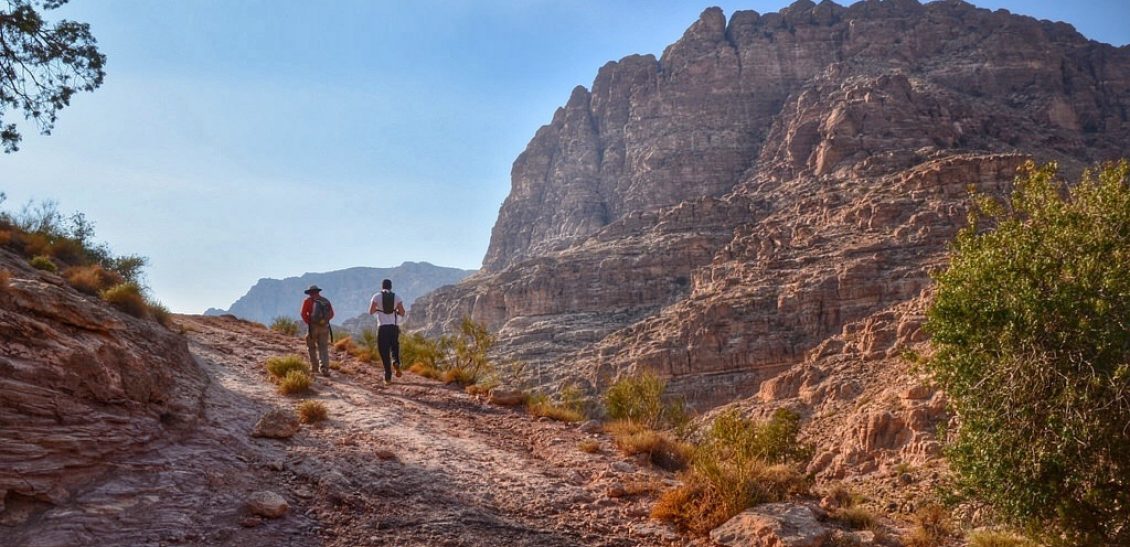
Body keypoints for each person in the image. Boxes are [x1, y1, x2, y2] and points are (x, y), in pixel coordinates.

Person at [368, 278, 405, 384]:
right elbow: (402, 312)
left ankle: (387, 376)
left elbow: (370, 311)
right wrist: (396, 311)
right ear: (391, 286)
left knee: (383, 351)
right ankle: (396, 362)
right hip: (393, 327)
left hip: (382, 327)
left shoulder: (376, 296)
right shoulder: (397, 297)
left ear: (382, 286)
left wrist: (378, 310)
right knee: (394, 347)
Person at [300, 284, 335, 377]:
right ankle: (325, 368)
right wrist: (324, 321)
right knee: (323, 348)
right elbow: (332, 314)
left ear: (310, 293)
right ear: (318, 292)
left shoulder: (307, 301)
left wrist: (309, 322)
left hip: (313, 327)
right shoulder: (325, 301)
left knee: (311, 347)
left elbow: (303, 313)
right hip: (325, 327)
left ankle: (314, 367)